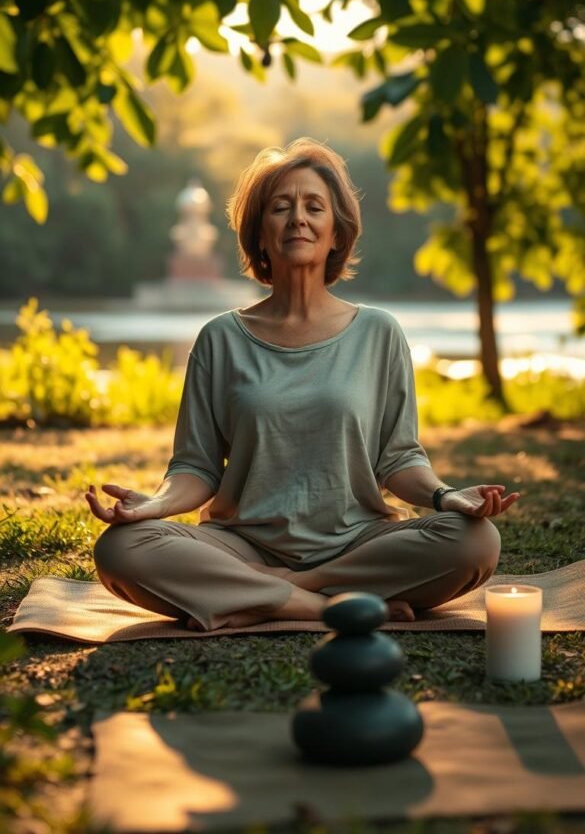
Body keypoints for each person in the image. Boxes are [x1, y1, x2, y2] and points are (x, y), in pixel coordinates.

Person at [87, 138, 520, 630]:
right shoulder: (219, 339)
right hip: (240, 544)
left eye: (314, 206)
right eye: (280, 207)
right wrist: (157, 503)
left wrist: (447, 497)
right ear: (260, 232)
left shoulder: (379, 333)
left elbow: (399, 458)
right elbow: (197, 467)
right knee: (122, 549)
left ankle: (271, 592)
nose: (298, 218)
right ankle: (328, 607)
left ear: (337, 232)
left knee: (476, 542)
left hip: (359, 541)